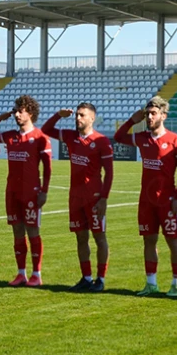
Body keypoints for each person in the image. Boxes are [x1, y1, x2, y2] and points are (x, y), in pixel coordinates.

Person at [114, 96, 177, 297]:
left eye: (153, 113)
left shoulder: (176, 140)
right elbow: (119, 137)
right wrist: (132, 120)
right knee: (149, 241)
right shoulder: (142, 138)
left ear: (163, 115)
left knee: (173, 241)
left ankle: (176, 284)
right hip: (146, 201)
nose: (149, 117)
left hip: (167, 201)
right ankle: (151, 284)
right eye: (147, 114)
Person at [42, 103, 113, 292]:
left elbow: (109, 173)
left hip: (94, 197)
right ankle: (86, 278)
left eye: (82, 115)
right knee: (81, 237)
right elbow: (46, 129)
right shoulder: (70, 136)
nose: (78, 118)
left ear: (92, 118)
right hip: (75, 197)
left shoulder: (102, 141)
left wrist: (104, 198)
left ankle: (100, 279)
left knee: (99, 237)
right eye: (77, 115)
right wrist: (58, 115)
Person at [0, 95, 51, 287]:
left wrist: (44, 191)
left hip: (31, 192)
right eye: (16, 111)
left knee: (33, 231)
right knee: (17, 232)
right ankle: (21, 274)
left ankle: (36, 274)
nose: (17, 115)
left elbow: (48, 168)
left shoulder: (40, 137)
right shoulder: (10, 136)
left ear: (31, 113)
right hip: (12, 191)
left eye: (21, 111)